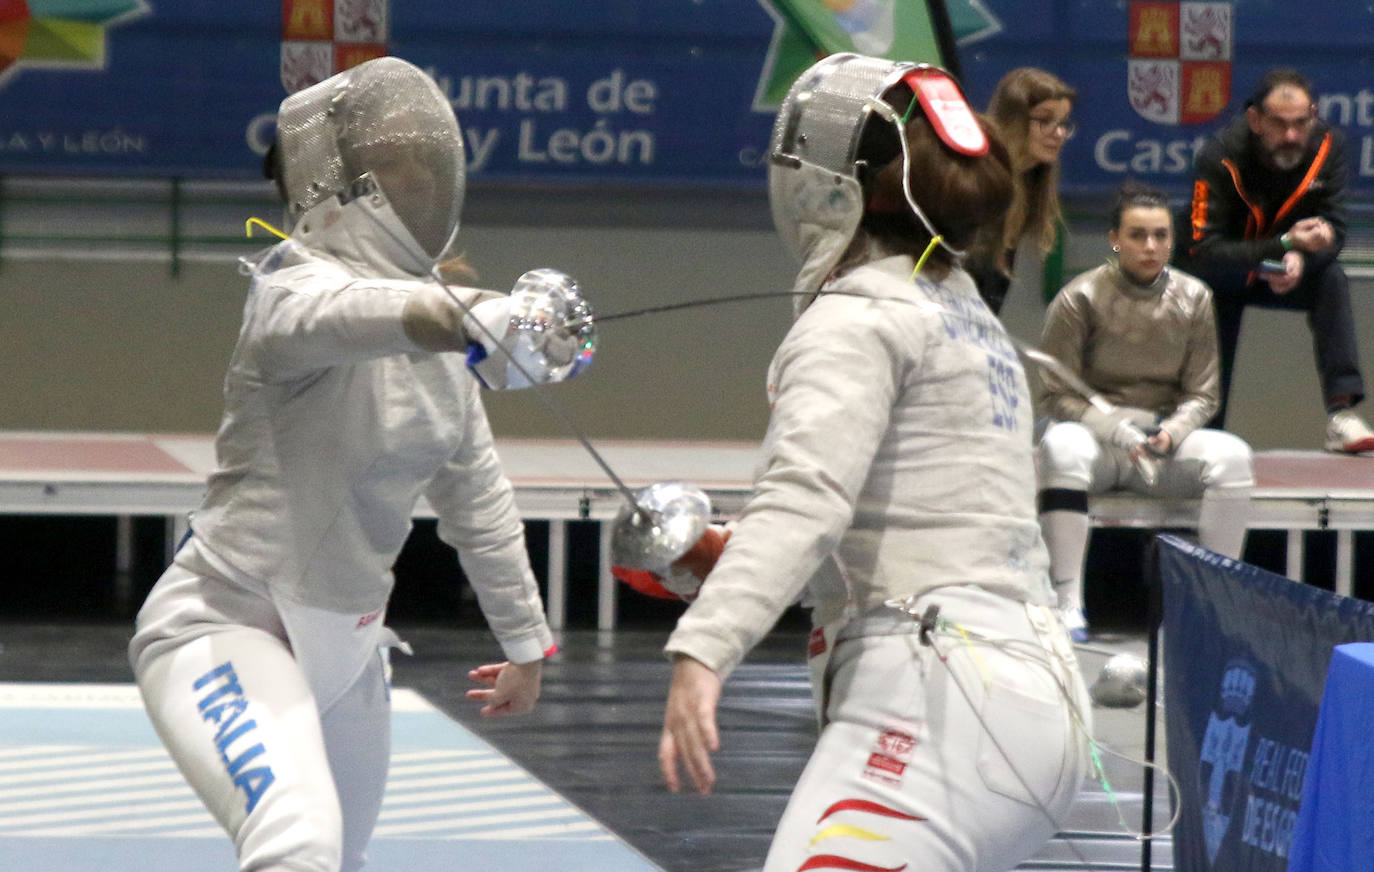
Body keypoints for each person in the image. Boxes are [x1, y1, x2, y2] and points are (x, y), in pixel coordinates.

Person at [656, 54, 1090, 872]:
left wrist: (704, 649)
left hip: (937, 705)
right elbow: (921, 500)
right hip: (1035, 706)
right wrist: (734, 549)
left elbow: (808, 499)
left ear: (827, 185)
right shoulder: (965, 312)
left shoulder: (853, 320)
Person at [128, 57, 563, 872]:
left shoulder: (442, 353)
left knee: (344, 861)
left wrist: (525, 643)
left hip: (349, 647)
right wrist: (471, 315)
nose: (414, 184)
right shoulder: (288, 296)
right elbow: (357, 315)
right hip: (224, 625)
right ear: (342, 192)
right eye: (391, 170)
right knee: (297, 846)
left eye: (420, 168)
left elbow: (479, 501)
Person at [1036, 181, 1255, 640]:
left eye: (1160, 235)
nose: (1150, 246)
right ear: (1114, 239)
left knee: (1233, 456)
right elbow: (1056, 394)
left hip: (1160, 446)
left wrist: (1171, 433)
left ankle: (1213, 606)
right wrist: (1116, 431)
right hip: (1100, 445)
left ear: (1172, 239)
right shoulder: (1080, 298)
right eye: (1138, 235)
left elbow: (1204, 394)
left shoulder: (1195, 297)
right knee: (1059, 446)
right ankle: (1067, 602)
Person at [1178, 68, 1374, 452]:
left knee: (1331, 277)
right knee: (1209, 295)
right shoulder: (1219, 155)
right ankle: (1204, 434)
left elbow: (1335, 225)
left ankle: (1342, 413)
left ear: (1313, 115)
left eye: (1301, 123)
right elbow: (1202, 249)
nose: (1291, 136)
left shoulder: (1329, 147)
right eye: (1279, 125)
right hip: (1223, 272)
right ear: (1255, 120)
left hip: (1287, 266)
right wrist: (1282, 246)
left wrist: (1305, 251)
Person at [967, 67, 1077, 316]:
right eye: (1045, 121)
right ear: (1013, 120)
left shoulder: (1030, 184)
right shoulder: (976, 181)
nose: (1059, 133)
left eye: (1063, 123)